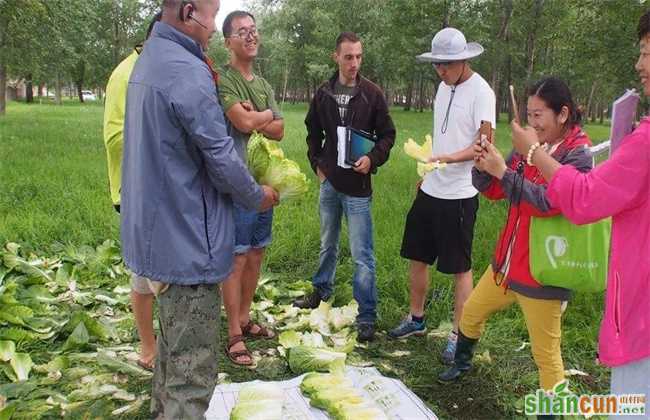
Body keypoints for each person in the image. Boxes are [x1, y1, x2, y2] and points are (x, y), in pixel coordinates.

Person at [120, 0, 278, 417]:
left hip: (157, 235)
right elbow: (222, 157)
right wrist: (256, 195)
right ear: (190, 11)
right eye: (214, 14)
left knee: (172, 358)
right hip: (187, 240)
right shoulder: (187, 71)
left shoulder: (151, 57)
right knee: (192, 376)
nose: (213, 28)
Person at [509, 12, 650, 417]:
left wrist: (529, 154)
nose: (639, 65)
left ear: (563, 114)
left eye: (645, 53)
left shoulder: (580, 150)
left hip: (639, 318)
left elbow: (582, 198)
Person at [438, 78, 593, 401]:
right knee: (471, 313)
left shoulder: (578, 155)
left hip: (541, 273)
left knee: (546, 355)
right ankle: (463, 363)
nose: (532, 123)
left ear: (562, 114)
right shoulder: (529, 146)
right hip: (505, 265)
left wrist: (505, 172)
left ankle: (551, 409)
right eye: (529, 114)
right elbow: (496, 190)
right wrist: (484, 166)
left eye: (539, 116)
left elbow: (548, 203)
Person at [389, 27, 495, 365]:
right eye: (436, 64)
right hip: (433, 187)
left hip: (461, 194)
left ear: (463, 60)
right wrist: (428, 170)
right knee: (417, 255)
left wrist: (448, 159)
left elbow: (484, 145)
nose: (440, 70)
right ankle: (416, 319)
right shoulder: (441, 86)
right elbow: (441, 135)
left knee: (459, 267)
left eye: (446, 65)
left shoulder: (482, 92)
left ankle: (458, 335)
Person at [295, 31, 396, 342]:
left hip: (357, 187)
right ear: (335, 57)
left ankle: (366, 315)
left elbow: (387, 135)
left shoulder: (372, 94)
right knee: (328, 244)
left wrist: (372, 159)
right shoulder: (323, 93)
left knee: (362, 254)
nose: (354, 63)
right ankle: (320, 292)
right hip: (329, 184)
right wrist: (317, 165)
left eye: (359, 56)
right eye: (349, 56)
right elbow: (312, 132)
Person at [218, 10, 284, 366]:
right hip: (238, 181)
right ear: (228, 41)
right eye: (242, 32)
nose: (250, 36)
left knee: (257, 252)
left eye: (254, 30)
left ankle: (245, 317)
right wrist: (262, 117)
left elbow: (280, 129)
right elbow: (241, 121)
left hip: (265, 182)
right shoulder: (224, 79)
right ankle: (233, 333)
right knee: (237, 256)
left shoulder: (262, 84)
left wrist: (255, 117)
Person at [103, 11, 161, 372]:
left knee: (165, 275)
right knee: (143, 275)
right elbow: (114, 137)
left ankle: (168, 342)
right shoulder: (127, 73)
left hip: (165, 192)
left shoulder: (160, 70)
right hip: (136, 193)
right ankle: (147, 348)